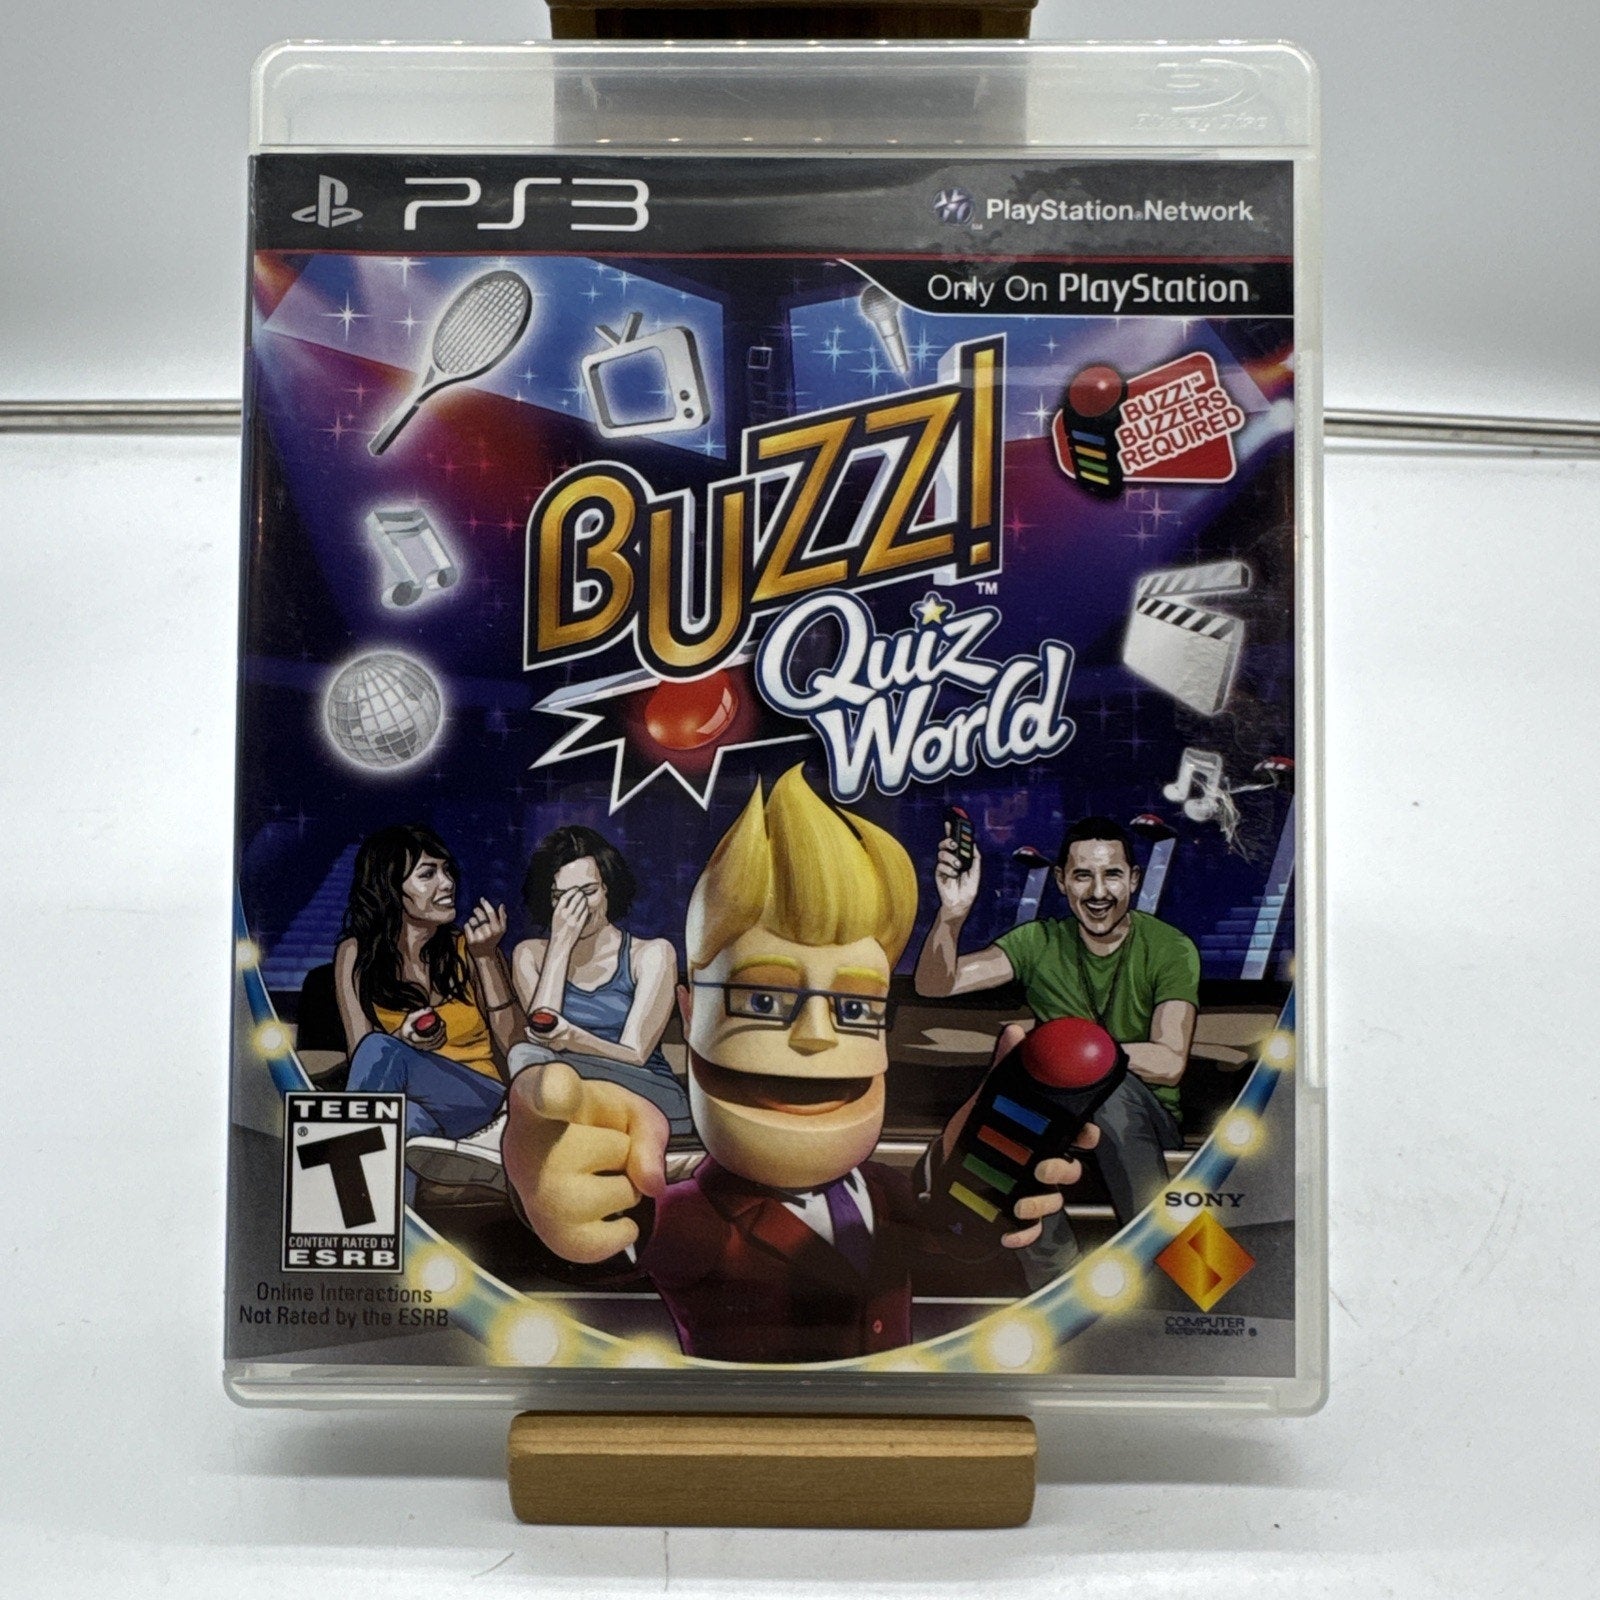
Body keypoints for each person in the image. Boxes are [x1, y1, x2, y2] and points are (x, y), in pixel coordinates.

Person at [502, 768, 1094, 1364]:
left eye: (855, 1007)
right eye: (764, 1001)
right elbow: (622, 1236)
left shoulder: (881, 1190)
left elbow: (951, 1236)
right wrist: (554, 1193)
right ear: (690, 1010)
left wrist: (982, 1173)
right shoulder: (697, 1216)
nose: (815, 1036)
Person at [914, 814, 1199, 1279]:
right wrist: (952, 913)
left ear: (1133, 879)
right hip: (1057, 1121)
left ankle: (1174, 1267)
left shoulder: (1170, 947)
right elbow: (935, 984)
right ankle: (1058, 1283)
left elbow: (1169, 1061)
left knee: (1106, 1092)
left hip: (1142, 1121)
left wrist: (1072, 1058)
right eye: (1083, 876)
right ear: (1062, 882)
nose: (1099, 891)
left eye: (1112, 875)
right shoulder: (1040, 941)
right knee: (1021, 1107)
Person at [333, 825, 520, 1194]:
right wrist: (404, 1041)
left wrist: (486, 958)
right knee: (405, 1123)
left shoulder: (470, 948)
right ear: (391, 887)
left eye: (447, 870)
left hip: (484, 1103)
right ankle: (388, 1228)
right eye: (428, 874)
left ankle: (340, 1197)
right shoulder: (355, 955)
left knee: (380, 1051)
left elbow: (516, 1045)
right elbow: (361, 1062)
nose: (447, 883)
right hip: (416, 1108)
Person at [508, 825, 691, 1137]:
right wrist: (560, 945)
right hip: (569, 1092)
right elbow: (542, 1028)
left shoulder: (651, 954)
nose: (577, 907)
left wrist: (573, 1039)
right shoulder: (530, 954)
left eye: (588, 892)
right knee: (535, 1064)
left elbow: (636, 1055)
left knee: (532, 1061)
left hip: (646, 1091)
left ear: (607, 889)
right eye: (562, 897)